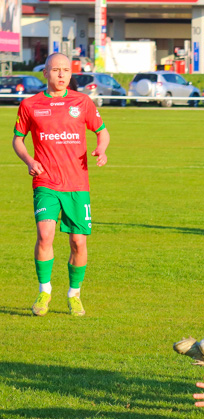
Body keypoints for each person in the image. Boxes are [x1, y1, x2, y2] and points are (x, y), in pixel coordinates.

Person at [13, 52, 110, 317]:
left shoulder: (82, 102)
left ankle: (74, 294)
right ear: (45, 73)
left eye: (66, 70)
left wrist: (101, 149)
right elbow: (18, 139)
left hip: (77, 184)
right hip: (45, 181)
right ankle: (44, 291)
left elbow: (102, 132)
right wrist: (29, 160)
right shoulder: (30, 105)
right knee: (45, 235)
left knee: (78, 242)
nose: (61, 75)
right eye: (56, 70)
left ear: (70, 74)